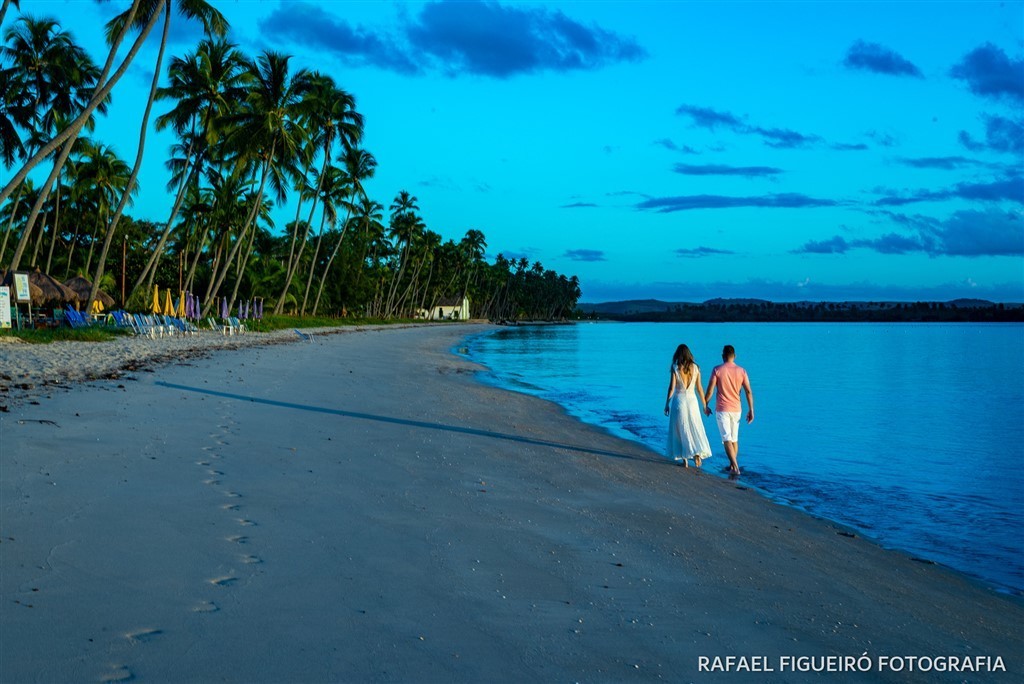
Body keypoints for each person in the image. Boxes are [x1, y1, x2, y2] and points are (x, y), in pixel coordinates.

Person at [704, 344, 754, 475]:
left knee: (726, 439)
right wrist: (751, 410)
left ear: (723, 356)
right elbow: (748, 391)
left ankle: (735, 467)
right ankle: (732, 465)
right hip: (737, 409)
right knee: (734, 439)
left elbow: (710, 390)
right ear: (734, 356)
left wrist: (705, 405)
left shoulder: (717, 370)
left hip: (722, 409)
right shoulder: (742, 371)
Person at [664, 344, 712, 467]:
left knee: (681, 429)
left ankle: (685, 459)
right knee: (695, 426)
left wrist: (666, 404)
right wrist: (705, 405)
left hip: (679, 400)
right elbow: (700, 388)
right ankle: (696, 452)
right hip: (692, 401)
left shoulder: (675, 367)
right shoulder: (696, 368)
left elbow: (671, 388)